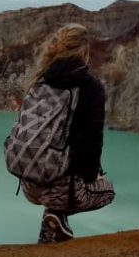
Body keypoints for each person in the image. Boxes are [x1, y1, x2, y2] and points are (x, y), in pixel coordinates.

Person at [20, 23, 115, 243]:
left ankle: (51, 232)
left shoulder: (40, 80)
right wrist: (93, 176)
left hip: (28, 184)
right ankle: (56, 215)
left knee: (61, 188)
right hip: (61, 189)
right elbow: (92, 144)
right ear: (85, 51)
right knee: (107, 191)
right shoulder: (90, 87)